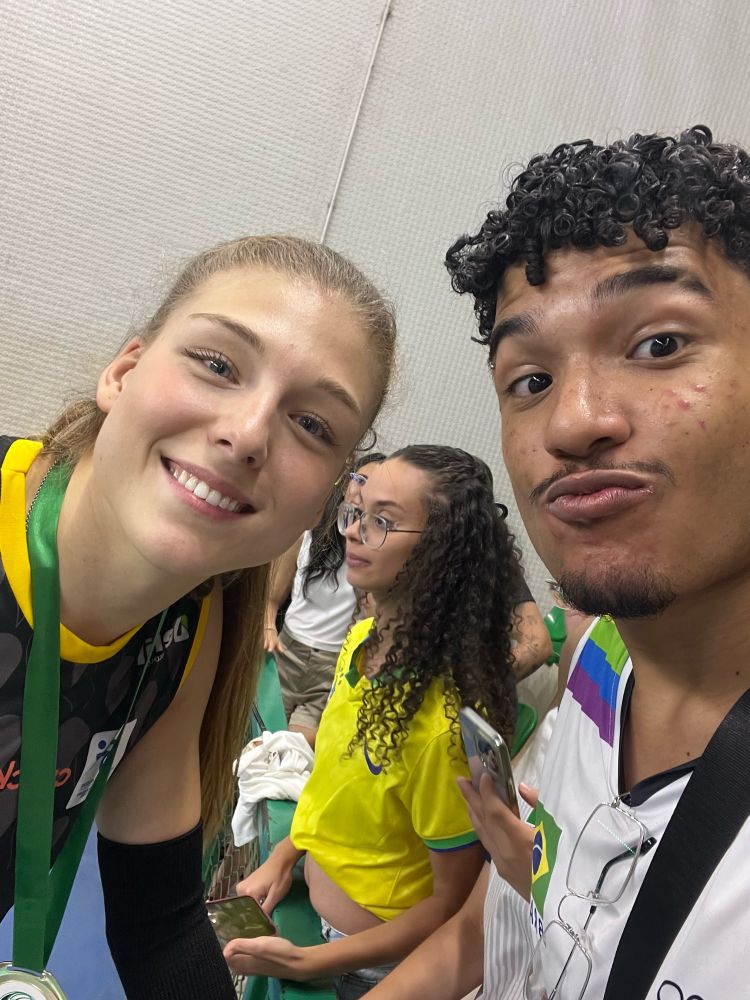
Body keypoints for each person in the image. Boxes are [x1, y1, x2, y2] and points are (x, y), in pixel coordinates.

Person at [0, 234, 396, 998]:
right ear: (123, 371)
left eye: (312, 425)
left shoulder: (183, 629)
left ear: (322, 502)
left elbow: (160, 925)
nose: (246, 435)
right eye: (217, 364)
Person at [440, 124, 750, 998]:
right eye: (530, 380)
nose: (573, 422)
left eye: (660, 344)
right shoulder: (601, 661)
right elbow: (519, 915)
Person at [226, 445, 522, 999]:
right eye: (356, 512)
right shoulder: (361, 641)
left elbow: (449, 906)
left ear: (441, 551)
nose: (352, 531)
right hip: (314, 908)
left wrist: (313, 961)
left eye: (382, 521)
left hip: (366, 967)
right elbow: (335, 789)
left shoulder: (441, 729)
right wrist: (286, 855)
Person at [264, 452, 385, 746]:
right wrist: (267, 626)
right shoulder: (310, 528)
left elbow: (374, 617)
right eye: (360, 480)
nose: (362, 491)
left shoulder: (377, 550)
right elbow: (271, 597)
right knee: (260, 734)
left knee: (296, 747)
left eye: (374, 486)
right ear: (346, 484)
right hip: (285, 651)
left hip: (330, 665)